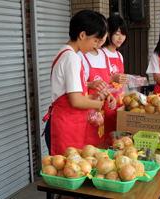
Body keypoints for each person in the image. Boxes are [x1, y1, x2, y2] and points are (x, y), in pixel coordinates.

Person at [43, 10, 116, 155]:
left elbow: (74, 93)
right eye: (95, 40)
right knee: (69, 172)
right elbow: (76, 101)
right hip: (66, 126)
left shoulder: (66, 53)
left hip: (67, 123)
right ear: (82, 35)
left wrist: (97, 96)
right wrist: (100, 105)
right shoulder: (72, 58)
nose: (96, 46)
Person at [101, 15, 129, 137]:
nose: (120, 38)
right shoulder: (101, 53)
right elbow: (95, 80)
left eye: (123, 34)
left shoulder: (119, 55)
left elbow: (121, 82)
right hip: (105, 102)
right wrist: (112, 78)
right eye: (117, 33)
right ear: (109, 33)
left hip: (119, 102)